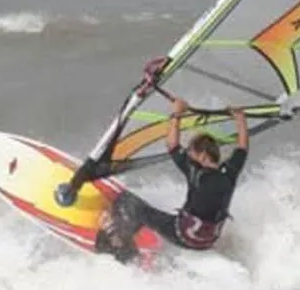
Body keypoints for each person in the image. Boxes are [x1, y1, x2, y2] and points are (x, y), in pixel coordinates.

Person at [95, 97, 250, 263]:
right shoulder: (230, 172)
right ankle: (132, 232)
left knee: (128, 201)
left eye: (191, 153)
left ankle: (115, 240)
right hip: (207, 241)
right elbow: (243, 147)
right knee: (151, 216)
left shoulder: (196, 172)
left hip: (182, 235)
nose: (189, 157)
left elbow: (171, 145)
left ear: (203, 155)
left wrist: (177, 113)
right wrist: (240, 118)